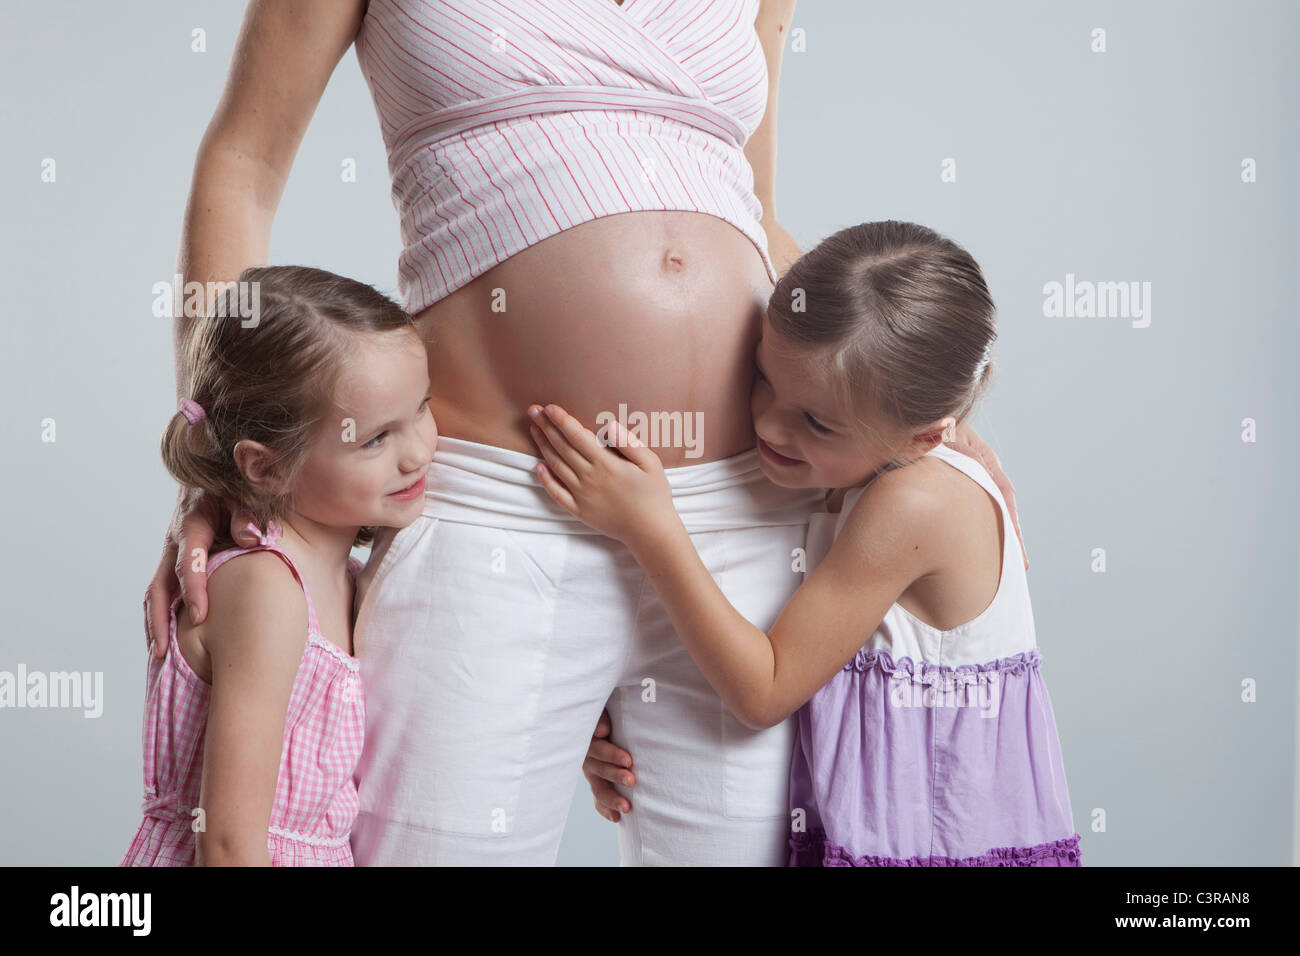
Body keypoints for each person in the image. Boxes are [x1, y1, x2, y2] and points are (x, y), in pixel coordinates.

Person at [144, 0, 1024, 865]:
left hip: (745, 519)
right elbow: (242, 165)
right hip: (495, 507)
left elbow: (749, 203)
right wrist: (222, 466)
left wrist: (899, 421)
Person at [526, 221, 1081, 866]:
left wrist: (650, 527)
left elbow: (765, 690)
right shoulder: (851, 470)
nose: (766, 421)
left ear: (925, 438)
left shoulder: (916, 502)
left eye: (815, 420)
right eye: (763, 377)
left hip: (937, 841)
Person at [123, 267, 437, 866]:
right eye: (375, 439)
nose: (418, 451)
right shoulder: (267, 587)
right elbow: (227, 841)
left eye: (421, 408)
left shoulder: (341, 576)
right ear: (264, 468)